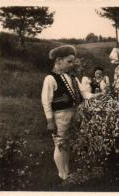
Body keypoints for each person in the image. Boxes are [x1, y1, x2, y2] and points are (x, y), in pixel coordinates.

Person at [41, 45, 83, 180]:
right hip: (59, 116)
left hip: (72, 114)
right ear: (58, 60)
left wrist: (99, 94)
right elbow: (46, 101)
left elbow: (84, 93)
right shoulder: (50, 78)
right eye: (69, 61)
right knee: (59, 144)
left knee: (67, 143)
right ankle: (62, 174)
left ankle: (67, 171)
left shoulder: (72, 78)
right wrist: (49, 121)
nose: (72, 65)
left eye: (73, 62)